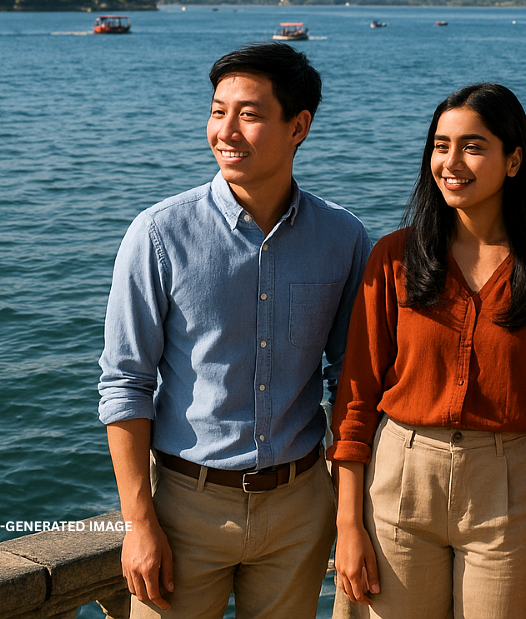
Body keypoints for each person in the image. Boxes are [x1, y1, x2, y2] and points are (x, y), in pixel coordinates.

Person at [98, 43, 370, 619]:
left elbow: (350, 382)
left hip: (299, 508)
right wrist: (138, 522)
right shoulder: (157, 235)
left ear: (299, 126)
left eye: (248, 114)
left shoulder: (343, 238)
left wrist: (348, 514)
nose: (225, 131)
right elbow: (125, 382)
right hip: (185, 507)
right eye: (218, 111)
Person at [330, 82, 526, 619]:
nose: (451, 162)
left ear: (514, 159)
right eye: (440, 145)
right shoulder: (394, 258)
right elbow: (356, 397)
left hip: (511, 487)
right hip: (402, 478)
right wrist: (348, 524)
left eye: (473, 146)